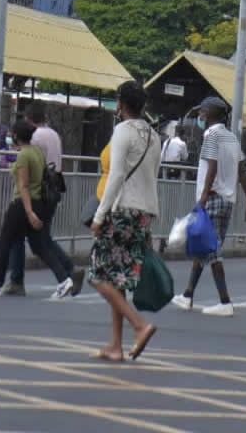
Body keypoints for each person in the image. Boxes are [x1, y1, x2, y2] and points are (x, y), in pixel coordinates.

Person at [89, 80, 159, 362]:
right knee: (117, 278)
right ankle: (115, 346)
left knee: (97, 275)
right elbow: (152, 176)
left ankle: (139, 325)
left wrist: (99, 215)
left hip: (122, 211)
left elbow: (117, 176)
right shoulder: (154, 136)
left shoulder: (122, 131)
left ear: (120, 104)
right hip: (144, 212)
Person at [171, 97, 246, 317]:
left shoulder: (211, 136)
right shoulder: (231, 138)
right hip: (227, 200)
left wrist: (203, 197)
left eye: (202, 112)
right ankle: (187, 295)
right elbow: (242, 171)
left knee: (212, 249)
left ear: (209, 114)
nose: (200, 116)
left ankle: (225, 302)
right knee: (204, 246)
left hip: (212, 197)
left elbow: (212, 167)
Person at [0, 120, 75, 299]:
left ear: (16, 136)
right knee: (39, 246)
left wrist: (29, 212)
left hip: (22, 203)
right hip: (38, 201)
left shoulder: (23, 155)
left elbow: (23, 186)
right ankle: (64, 280)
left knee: (5, 240)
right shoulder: (36, 152)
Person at [1, 104, 84, 297]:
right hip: (53, 189)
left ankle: (17, 280)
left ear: (28, 120)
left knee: (23, 237)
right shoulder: (54, 134)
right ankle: (69, 270)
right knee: (42, 238)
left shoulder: (35, 138)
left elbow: (31, 166)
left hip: (37, 192)